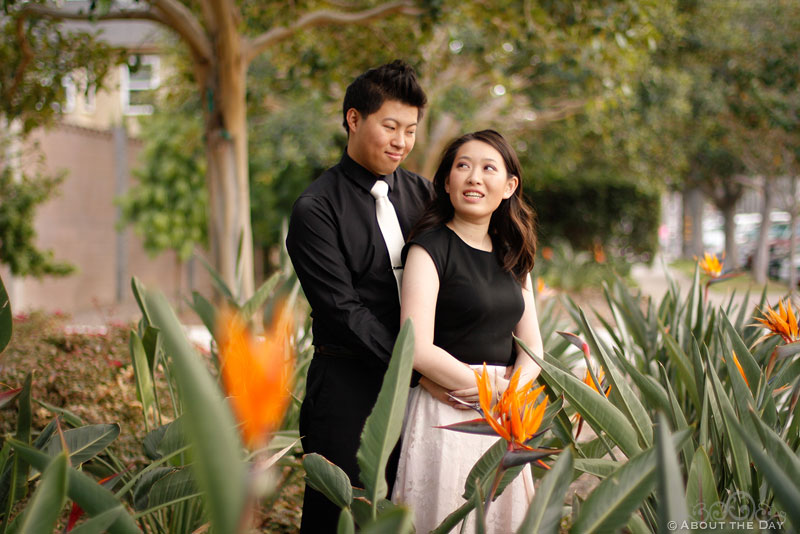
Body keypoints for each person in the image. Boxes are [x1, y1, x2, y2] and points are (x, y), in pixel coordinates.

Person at [285, 60, 433, 533]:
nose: (401, 142)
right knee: (342, 517)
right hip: (348, 387)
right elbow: (344, 310)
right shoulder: (316, 209)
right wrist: (417, 365)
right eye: (390, 126)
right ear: (354, 118)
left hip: (423, 387)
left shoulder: (424, 195)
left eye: (410, 130)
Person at [392, 130, 544, 533]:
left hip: (505, 414)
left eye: (488, 168)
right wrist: (487, 391)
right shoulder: (428, 249)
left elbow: (533, 346)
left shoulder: (515, 253)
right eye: (463, 166)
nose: (474, 177)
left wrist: (513, 393)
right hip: (447, 408)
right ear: (446, 182)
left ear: (509, 186)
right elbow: (417, 348)